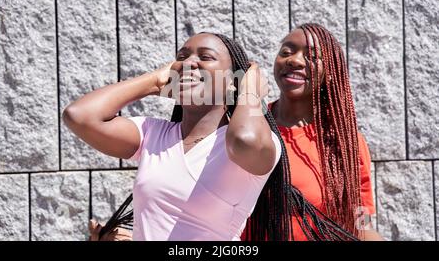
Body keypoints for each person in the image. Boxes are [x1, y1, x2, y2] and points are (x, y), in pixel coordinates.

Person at [63, 32, 282, 240]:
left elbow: (245, 139)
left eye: (206, 57)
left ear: (234, 80)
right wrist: (154, 81)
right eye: (182, 56)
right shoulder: (152, 134)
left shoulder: (258, 140)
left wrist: (250, 91)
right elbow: (79, 115)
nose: (188, 63)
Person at [243, 23, 383, 241]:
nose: (295, 60)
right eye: (286, 52)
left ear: (330, 72)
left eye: (312, 57)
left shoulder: (346, 143)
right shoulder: (248, 125)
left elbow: (360, 224)